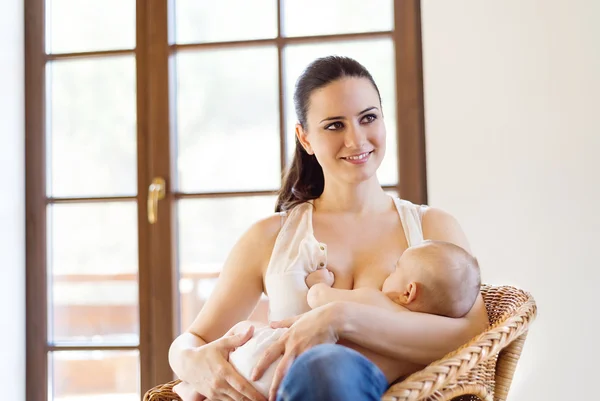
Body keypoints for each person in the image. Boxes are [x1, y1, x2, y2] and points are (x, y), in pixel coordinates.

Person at [167, 55, 490, 401]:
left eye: (368, 118)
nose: (356, 140)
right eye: (335, 125)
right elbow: (194, 339)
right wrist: (192, 363)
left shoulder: (431, 227)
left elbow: (475, 337)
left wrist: (341, 317)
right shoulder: (270, 238)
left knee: (328, 367)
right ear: (304, 138)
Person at [221, 239, 482, 398]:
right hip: (296, 380)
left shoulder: (376, 301)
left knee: (246, 329)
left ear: (409, 291)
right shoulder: (417, 354)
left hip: (277, 363)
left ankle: (192, 391)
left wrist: (320, 282)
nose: (387, 276)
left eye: (395, 269)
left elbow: (319, 298)